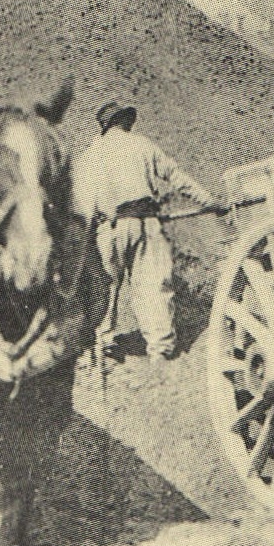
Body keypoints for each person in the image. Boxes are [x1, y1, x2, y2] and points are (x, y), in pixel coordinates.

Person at [78, 101, 217, 360]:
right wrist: (208, 200)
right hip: (146, 224)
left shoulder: (90, 155)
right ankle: (160, 348)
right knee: (154, 285)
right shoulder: (142, 144)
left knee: (105, 285)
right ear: (124, 122)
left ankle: (104, 342)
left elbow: (84, 203)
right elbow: (176, 176)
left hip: (110, 227)